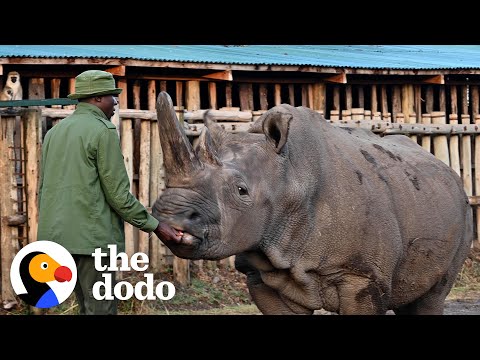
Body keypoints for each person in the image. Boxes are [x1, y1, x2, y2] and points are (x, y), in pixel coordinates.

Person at [37, 70, 182, 315]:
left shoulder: (54, 133)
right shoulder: (102, 130)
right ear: (96, 99)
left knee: (85, 307)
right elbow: (118, 195)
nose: (115, 102)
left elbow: (44, 189)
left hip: (57, 240)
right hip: (92, 240)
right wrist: (157, 226)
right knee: (101, 309)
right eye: (111, 96)